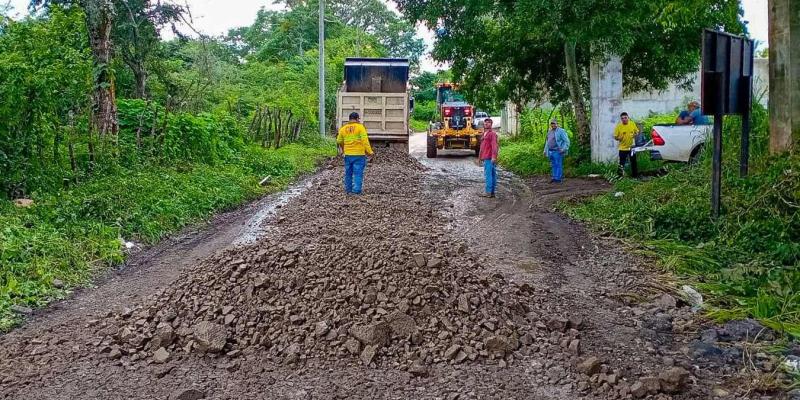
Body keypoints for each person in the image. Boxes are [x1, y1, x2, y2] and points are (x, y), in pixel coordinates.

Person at [336, 112, 374, 195]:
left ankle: (348, 189)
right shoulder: (360, 127)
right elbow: (365, 141)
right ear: (357, 119)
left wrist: (344, 149)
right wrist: (370, 152)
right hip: (359, 155)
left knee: (348, 173)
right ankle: (356, 190)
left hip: (348, 155)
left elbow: (339, 141)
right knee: (358, 173)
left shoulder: (343, 128)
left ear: (349, 119)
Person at [543, 119, 570, 183]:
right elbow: (547, 142)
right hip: (550, 151)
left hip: (557, 151)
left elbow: (567, 141)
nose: (553, 125)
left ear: (557, 124)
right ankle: (554, 177)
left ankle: (558, 179)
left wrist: (564, 149)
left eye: (554, 123)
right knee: (553, 164)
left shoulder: (561, 131)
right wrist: (545, 150)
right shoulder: (549, 132)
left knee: (558, 164)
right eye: (552, 123)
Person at [614, 112, 640, 176]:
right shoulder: (619, 126)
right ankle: (619, 177)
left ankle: (635, 176)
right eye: (622, 118)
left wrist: (635, 135)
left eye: (625, 118)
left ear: (628, 118)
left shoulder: (632, 123)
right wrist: (619, 138)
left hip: (632, 147)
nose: (624, 119)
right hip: (623, 148)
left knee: (633, 162)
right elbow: (615, 137)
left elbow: (637, 132)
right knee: (621, 163)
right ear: (621, 119)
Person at [478, 118, 499, 198]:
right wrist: (480, 157)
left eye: (488, 122)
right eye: (485, 122)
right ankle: (492, 192)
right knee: (492, 174)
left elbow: (494, 146)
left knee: (489, 175)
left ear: (491, 124)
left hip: (489, 158)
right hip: (486, 157)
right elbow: (482, 147)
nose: (486, 123)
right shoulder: (484, 134)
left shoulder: (492, 134)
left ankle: (488, 192)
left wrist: (494, 156)